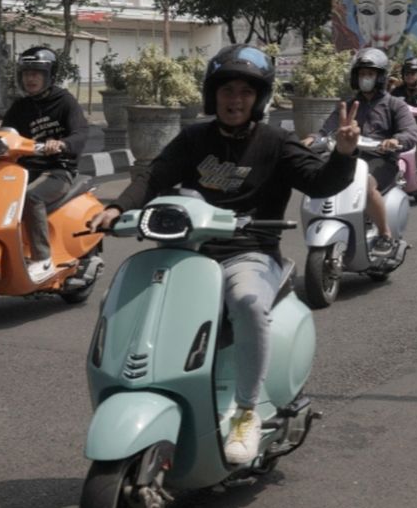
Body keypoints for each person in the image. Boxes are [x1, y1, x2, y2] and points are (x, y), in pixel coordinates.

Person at [86, 45, 359, 465]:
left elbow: (319, 183)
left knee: (248, 302)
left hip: (247, 253)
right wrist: (117, 208)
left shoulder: (276, 142)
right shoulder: (194, 138)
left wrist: (342, 153)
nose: (235, 100)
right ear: (213, 95)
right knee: (126, 299)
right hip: (185, 252)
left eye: (245, 93)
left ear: (259, 99)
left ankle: (247, 412)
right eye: (227, 90)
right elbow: (154, 177)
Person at [304, 47, 417, 257]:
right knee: (318, 177)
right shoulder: (348, 105)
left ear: (380, 77)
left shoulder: (395, 105)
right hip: (347, 157)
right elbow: (326, 129)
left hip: (380, 160)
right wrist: (310, 139)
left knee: (364, 185)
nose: (365, 78)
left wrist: (394, 141)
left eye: (370, 74)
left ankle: (385, 234)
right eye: (362, 74)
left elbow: (411, 132)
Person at [0, 47, 89, 282]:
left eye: (37, 73)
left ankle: (42, 258)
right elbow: (3, 133)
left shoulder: (65, 101)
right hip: (24, 169)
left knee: (31, 197)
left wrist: (62, 144)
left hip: (57, 170)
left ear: (49, 75)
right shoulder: (20, 106)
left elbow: (80, 133)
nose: (30, 78)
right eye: (27, 73)